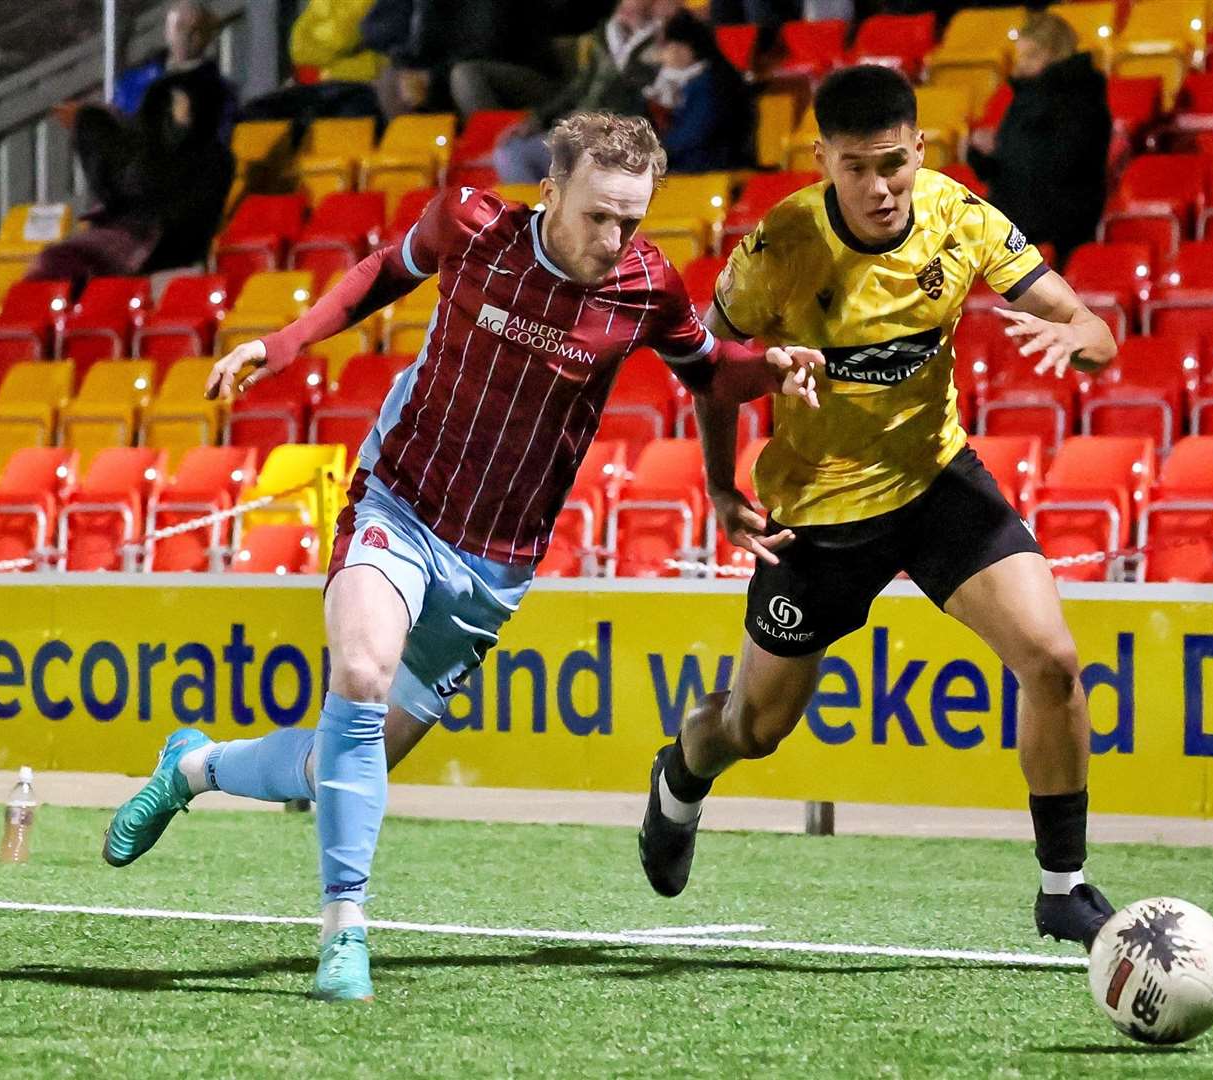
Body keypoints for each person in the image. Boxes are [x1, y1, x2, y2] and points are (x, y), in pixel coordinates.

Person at [100, 111, 824, 1004]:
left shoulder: (646, 285)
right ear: (550, 193)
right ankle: (343, 932)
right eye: (598, 215)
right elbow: (378, 274)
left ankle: (192, 768)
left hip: (498, 561)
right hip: (399, 502)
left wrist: (771, 366)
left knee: (335, 765)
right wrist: (279, 345)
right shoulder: (472, 228)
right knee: (359, 680)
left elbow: (711, 370)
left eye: (631, 219)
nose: (614, 237)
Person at [635, 65, 1120, 952]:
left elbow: (1092, 328)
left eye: (892, 162)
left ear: (919, 149)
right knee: (754, 728)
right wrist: (717, 486)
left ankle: (1063, 887)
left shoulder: (958, 216)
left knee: (1050, 659)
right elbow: (710, 370)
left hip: (938, 482)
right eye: (854, 167)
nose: (878, 186)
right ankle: (680, 775)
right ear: (821, 159)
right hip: (815, 516)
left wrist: (1076, 338)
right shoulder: (778, 246)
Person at [29, 1, 235, 287]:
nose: (186, 37)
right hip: (133, 210)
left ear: (207, 35)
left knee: (61, 263)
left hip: (160, 221)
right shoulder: (146, 82)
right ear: (166, 31)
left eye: (195, 30)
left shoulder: (208, 95)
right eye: (179, 28)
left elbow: (182, 155)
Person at [965, 12, 1110, 267]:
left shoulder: (1080, 98)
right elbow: (1010, 166)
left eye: (1031, 56)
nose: (1021, 64)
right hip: (1018, 215)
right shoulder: (1026, 95)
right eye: (1020, 56)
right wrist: (982, 154)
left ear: (1055, 54)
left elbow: (1064, 163)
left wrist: (1003, 152)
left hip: (1057, 226)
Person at [495, 0, 664, 183]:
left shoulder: (667, 39)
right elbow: (578, 88)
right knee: (511, 151)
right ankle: (545, 209)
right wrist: (536, 119)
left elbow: (647, 97)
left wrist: (635, 42)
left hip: (619, 141)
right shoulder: (606, 37)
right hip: (578, 131)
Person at [360, 0, 562, 119]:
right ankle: (422, 167)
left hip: (523, 74)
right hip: (447, 74)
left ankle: (494, 149)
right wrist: (409, 73)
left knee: (465, 77)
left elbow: (491, 47)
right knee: (391, 81)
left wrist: (431, 78)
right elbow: (373, 30)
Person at [649, 11, 754, 173]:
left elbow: (694, 132)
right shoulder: (692, 81)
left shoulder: (710, 84)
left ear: (688, 49)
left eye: (674, 47)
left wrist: (657, 152)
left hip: (709, 164)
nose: (668, 54)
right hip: (695, 161)